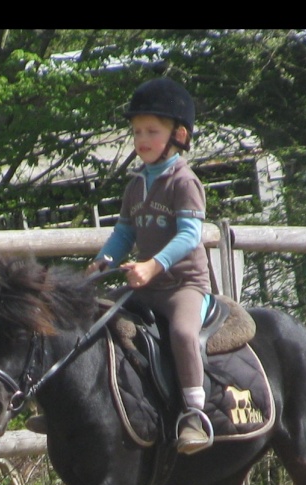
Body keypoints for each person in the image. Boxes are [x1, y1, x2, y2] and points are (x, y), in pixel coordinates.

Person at [86, 77, 213, 454]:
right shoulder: (135, 184)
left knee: (183, 334)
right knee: (94, 318)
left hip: (183, 287)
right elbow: (124, 234)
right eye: (137, 131)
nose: (141, 139)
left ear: (179, 134)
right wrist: (101, 261)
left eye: (151, 131)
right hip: (145, 283)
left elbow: (190, 236)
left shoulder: (184, 182)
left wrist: (153, 265)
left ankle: (194, 415)